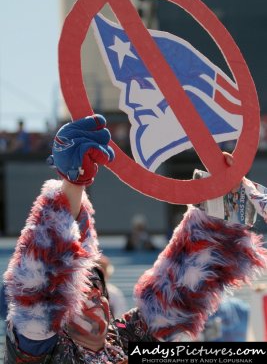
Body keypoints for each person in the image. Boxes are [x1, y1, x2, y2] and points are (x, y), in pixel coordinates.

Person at [2, 114, 267, 363]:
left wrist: (220, 210)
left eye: (98, 293)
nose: (96, 299)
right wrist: (73, 184)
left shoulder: (127, 340)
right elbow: (39, 292)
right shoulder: (42, 351)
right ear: (62, 309)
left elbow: (177, 295)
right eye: (83, 295)